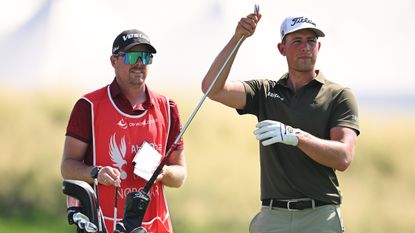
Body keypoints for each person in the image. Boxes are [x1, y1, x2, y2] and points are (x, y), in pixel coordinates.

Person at [201, 12, 359, 233]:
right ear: (282, 49)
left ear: (319, 48)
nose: (306, 47)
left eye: (311, 41)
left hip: (319, 215)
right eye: (297, 41)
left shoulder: (339, 95)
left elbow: (343, 157)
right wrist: (238, 37)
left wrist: (295, 137)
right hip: (273, 217)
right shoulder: (265, 92)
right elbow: (212, 89)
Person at [61, 29, 187, 233]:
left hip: (155, 225)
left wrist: (161, 172)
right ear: (114, 61)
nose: (140, 63)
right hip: (104, 225)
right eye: (131, 56)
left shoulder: (167, 107)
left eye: (146, 57)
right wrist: (96, 173)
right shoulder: (89, 106)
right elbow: (67, 167)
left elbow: (180, 175)